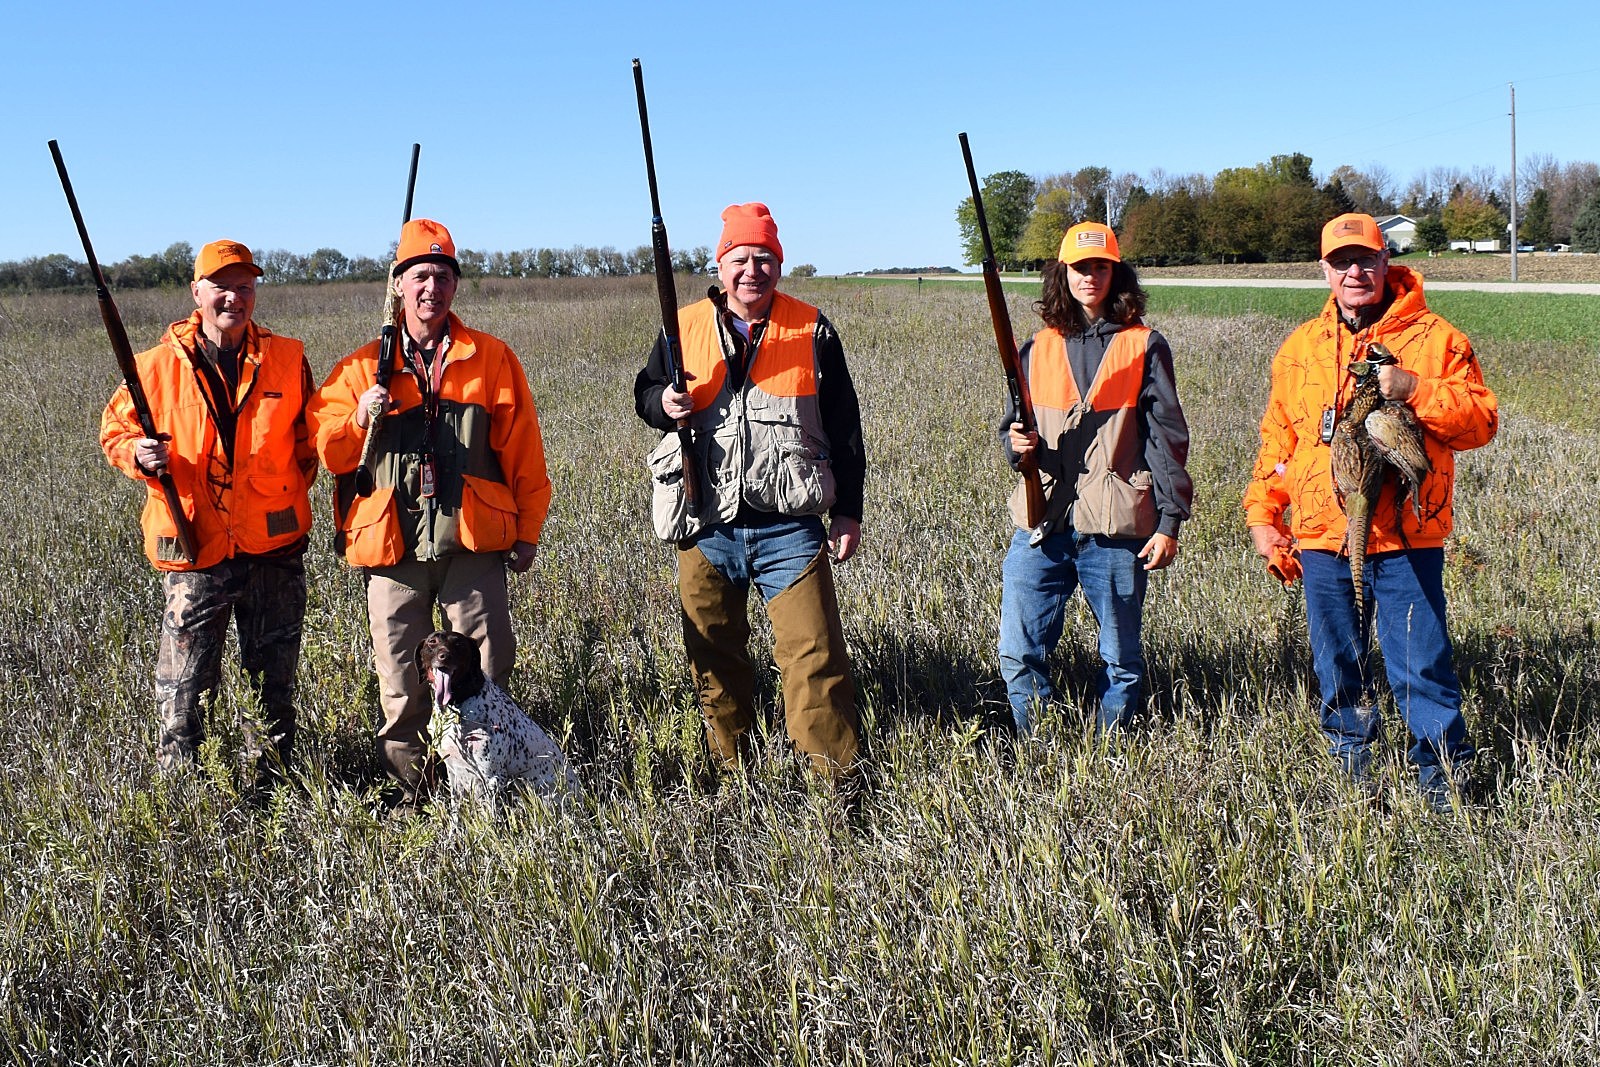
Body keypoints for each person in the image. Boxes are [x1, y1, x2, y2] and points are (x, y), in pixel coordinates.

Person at [1244, 212, 1498, 810]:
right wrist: (1263, 516)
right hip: (1322, 534)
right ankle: (1354, 783)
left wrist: (1412, 389)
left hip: (1406, 537)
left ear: (1388, 263)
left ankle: (1445, 793)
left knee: (1421, 667)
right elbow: (1280, 440)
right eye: (1341, 261)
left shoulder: (1438, 339)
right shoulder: (1302, 347)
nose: (1354, 271)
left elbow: (1481, 420)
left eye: (1366, 259)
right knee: (1338, 667)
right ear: (1324, 269)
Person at [308, 219, 552, 803]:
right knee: (400, 682)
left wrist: (528, 531)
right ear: (397, 284)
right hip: (392, 546)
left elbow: (523, 451)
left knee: (485, 674)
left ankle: (491, 792)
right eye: (419, 275)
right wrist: (362, 415)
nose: (431, 288)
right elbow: (329, 450)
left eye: (443, 276)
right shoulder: (362, 366)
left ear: (454, 286)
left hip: (471, 544)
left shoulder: (491, 358)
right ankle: (414, 796)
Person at [634, 202, 865, 780]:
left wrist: (848, 511)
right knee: (712, 657)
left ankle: (833, 789)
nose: (752, 270)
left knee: (814, 657)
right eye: (740, 258)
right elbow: (645, 393)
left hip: (788, 525)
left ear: (779, 266)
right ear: (721, 266)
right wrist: (662, 404)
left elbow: (844, 424)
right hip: (705, 520)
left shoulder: (812, 326)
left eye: (764, 258)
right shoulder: (681, 326)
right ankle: (732, 775)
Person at [100, 240, 316, 780]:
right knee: (185, 694)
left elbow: (312, 442)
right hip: (195, 550)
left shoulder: (288, 359)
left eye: (244, 287)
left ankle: (272, 795)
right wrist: (138, 455)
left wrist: (279, 494)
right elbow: (115, 432)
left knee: (275, 689)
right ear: (196, 291)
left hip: (274, 549)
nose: (233, 298)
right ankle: (186, 802)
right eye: (221, 285)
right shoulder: (151, 367)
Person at [998, 222, 1192, 737]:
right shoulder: (1035, 347)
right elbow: (1012, 428)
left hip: (1114, 527)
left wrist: (1169, 520)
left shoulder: (1144, 344)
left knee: (1121, 659)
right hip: (1042, 524)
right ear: (1063, 272)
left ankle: (1111, 752)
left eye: (1100, 266)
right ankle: (1036, 746)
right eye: (1081, 267)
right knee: (1018, 651)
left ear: (1116, 271)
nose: (1090, 276)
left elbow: (1167, 438)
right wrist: (1014, 446)